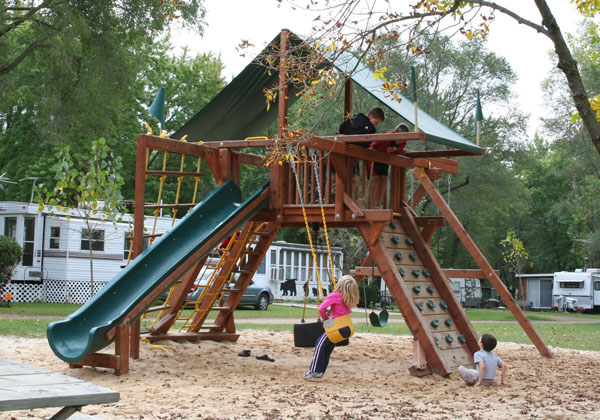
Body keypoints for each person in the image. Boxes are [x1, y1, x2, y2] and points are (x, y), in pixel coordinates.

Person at [303, 275, 360, 379]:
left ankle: (315, 370)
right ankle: (320, 371)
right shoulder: (348, 297)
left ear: (339, 284)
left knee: (319, 343)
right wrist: (331, 315)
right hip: (348, 328)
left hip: (337, 327)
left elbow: (321, 309)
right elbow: (340, 311)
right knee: (328, 346)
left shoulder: (336, 294)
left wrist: (326, 318)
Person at [338, 107, 385, 198]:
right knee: (354, 180)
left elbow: (341, 127)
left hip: (341, 149)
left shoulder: (353, 119)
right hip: (352, 155)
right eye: (376, 123)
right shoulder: (370, 128)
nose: (375, 125)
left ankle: (335, 198)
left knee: (337, 177)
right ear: (371, 117)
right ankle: (343, 199)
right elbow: (366, 143)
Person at [368, 123, 409, 208]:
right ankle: (371, 205)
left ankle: (377, 204)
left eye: (404, 138)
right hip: (374, 156)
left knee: (384, 179)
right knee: (375, 178)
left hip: (385, 159)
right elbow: (373, 145)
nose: (402, 141)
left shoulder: (403, 143)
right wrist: (385, 149)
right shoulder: (387, 136)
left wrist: (391, 151)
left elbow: (397, 152)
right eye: (401, 138)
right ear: (396, 133)